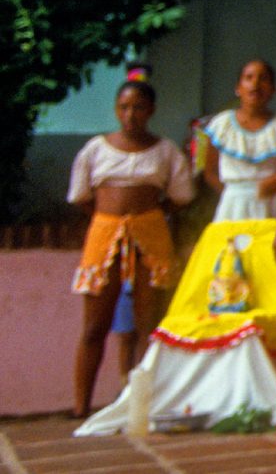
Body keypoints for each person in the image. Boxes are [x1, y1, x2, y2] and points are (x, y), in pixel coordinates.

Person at [68, 73, 196, 418]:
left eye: (138, 108)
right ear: (115, 109)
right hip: (105, 233)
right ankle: (81, 405)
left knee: (147, 324)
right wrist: (110, 219)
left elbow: (181, 195)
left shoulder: (165, 151)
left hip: (150, 234)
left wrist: (149, 215)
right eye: (124, 107)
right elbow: (81, 196)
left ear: (151, 110)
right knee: (94, 326)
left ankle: (141, 405)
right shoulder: (96, 149)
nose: (130, 115)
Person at [200, 59, 276, 222]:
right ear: (238, 88)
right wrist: (235, 195)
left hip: (272, 203)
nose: (255, 84)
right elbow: (210, 172)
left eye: (263, 78)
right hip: (232, 206)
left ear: (273, 89)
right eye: (248, 78)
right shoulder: (221, 125)